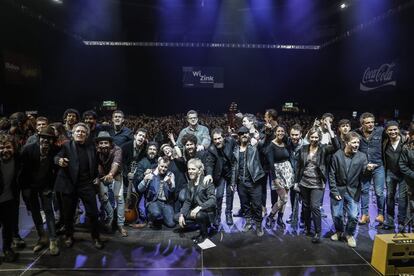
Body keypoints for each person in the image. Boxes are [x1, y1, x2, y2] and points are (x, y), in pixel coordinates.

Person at [54, 123, 104, 249]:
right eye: (78, 131)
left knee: (93, 213)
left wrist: (97, 177)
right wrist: (59, 161)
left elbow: (97, 164)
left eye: (83, 132)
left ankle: (96, 237)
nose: (80, 133)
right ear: (73, 133)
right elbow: (56, 157)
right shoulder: (66, 146)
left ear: (86, 135)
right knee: (68, 214)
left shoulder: (92, 147)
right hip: (69, 184)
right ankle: (69, 236)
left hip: (86, 184)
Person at [19, 126, 60, 255]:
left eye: (49, 138)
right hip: (30, 187)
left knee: (49, 211)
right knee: (36, 212)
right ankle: (42, 237)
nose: (46, 140)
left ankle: (53, 240)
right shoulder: (28, 150)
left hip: (46, 186)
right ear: (39, 138)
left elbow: (56, 171)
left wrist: (52, 188)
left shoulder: (55, 151)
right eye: (43, 137)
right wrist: (25, 189)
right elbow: (21, 171)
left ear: (53, 140)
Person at [296, 127, 338, 243]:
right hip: (304, 182)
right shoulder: (304, 148)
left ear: (319, 138)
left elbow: (337, 147)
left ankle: (318, 232)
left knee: (315, 207)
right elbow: (299, 166)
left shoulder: (323, 149)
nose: (314, 139)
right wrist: (296, 182)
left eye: (316, 137)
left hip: (317, 183)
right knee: (305, 206)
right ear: (309, 137)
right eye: (312, 137)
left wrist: (330, 130)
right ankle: (308, 228)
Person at [329, 132, 368, 248]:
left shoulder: (362, 156)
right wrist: (334, 191)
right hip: (339, 190)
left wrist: (369, 170)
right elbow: (331, 175)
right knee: (337, 215)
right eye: (354, 142)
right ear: (346, 143)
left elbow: (365, 175)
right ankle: (339, 231)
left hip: (353, 191)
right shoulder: (337, 155)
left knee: (353, 216)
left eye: (358, 142)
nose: (356, 145)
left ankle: (349, 234)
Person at [231, 126, 266, 237]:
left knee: (257, 205)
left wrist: (265, 133)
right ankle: (248, 222)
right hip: (241, 182)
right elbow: (234, 167)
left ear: (248, 134)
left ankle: (259, 224)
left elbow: (264, 142)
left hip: (254, 182)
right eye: (242, 134)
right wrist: (233, 182)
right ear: (239, 136)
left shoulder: (254, 147)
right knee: (245, 204)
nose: (244, 135)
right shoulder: (236, 150)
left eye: (246, 133)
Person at [355, 112, 386, 225]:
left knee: (379, 192)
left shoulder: (380, 131)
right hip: (365, 167)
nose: (371, 124)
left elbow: (395, 134)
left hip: (378, 166)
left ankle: (381, 215)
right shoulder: (357, 133)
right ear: (362, 124)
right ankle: (365, 215)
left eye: (372, 122)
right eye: (367, 123)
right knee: (364, 191)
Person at [95, 131, 127, 237]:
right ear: (98, 144)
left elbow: (116, 163)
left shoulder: (117, 149)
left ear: (110, 143)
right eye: (101, 143)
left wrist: (111, 174)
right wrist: (98, 177)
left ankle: (120, 225)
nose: (103, 145)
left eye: (106, 143)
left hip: (115, 174)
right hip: (101, 176)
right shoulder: (95, 151)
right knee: (103, 198)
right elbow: (95, 164)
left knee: (120, 199)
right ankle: (110, 217)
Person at [177, 158, 216, 244]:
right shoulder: (190, 183)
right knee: (176, 217)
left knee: (199, 215)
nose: (190, 171)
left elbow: (213, 200)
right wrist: (182, 214)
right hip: (197, 211)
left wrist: (199, 207)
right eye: (189, 169)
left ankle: (204, 234)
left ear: (199, 171)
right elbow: (187, 201)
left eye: (193, 169)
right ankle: (200, 225)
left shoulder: (206, 181)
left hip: (207, 212)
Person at [204, 128, 237, 226]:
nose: (217, 141)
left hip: (231, 172)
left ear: (224, 137)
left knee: (230, 194)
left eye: (219, 138)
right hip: (219, 174)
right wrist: (209, 174)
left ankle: (228, 214)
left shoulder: (231, 141)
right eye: (215, 139)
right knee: (218, 195)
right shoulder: (211, 149)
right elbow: (209, 163)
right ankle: (217, 215)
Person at [265, 125, 295, 229]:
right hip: (277, 173)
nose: (280, 133)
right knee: (284, 198)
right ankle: (271, 216)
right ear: (275, 132)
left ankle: (280, 218)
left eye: (282, 131)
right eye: (278, 131)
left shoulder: (286, 143)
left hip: (287, 172)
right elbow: (271, 163)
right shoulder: (271, 145)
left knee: (284, 199)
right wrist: (274, 178)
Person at [382, 121, 408, 230]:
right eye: (390, 130)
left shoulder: (405, 141)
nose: (393, 132)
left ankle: (401, 222)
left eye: (395, 129)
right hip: (390, 173)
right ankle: (390, 221)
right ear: (387, 131)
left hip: (404, 175)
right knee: (389, 197)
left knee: (402, 199)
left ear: (398, 129)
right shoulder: (385, 142)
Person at [138, 157, 176, 228]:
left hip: (165, 203)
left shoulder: (170, 175)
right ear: (158, 164)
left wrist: (169, 183)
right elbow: (140, 189)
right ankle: (151, 217)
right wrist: (145, 180)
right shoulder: (151, 173)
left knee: (172, 224)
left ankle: (161, 217)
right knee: (156, 213)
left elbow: (172, 189)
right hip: (153, 201)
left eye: (165, 167)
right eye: (161, 166)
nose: (163, 169)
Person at [0, 134, 20, 262]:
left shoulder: (18, 160)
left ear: (14, 148)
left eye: (8, 147)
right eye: (1, 147)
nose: (5, 150)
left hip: (9, 200)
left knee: (8, 227)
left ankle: (7, 249)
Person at [399, 126, 414, 230]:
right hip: (410, 180)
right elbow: (402, 165)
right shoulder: (406, 148)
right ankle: (409, 224)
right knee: (411, 204)